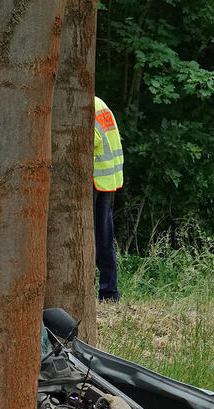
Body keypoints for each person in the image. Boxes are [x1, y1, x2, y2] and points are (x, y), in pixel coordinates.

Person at [93, 96, 124, 302]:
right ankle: (109, 292)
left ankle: (106, 290)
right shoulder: (100, 103)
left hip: (94, 178)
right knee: (104, 238)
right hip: (105, 178)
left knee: (92, 238)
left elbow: (89, 139)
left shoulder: (82, 104)